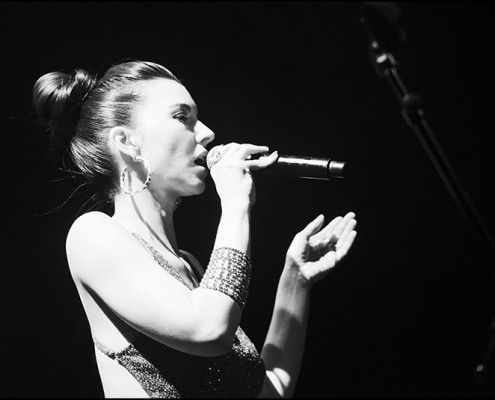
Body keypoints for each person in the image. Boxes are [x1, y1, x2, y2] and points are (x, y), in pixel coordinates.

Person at [33, 59, 357, 398]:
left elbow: (265, 392)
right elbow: (208, 328)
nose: (207, 133)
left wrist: (296, 281)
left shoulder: (193, 270)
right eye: (181, 117)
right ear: (127, 142)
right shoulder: (93, 235)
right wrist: (235, 203)